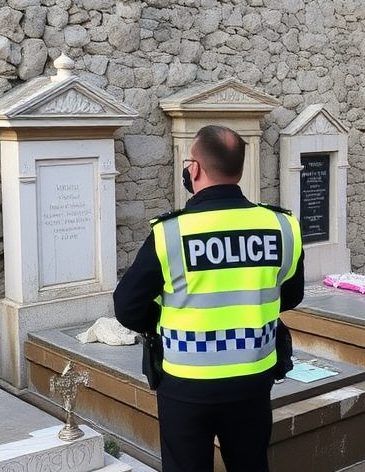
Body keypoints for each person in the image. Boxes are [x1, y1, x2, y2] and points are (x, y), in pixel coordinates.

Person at [114, 124, 305, 472]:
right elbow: (291, 295)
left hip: (186, 383)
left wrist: (168, 318)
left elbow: (127, 307)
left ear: (196, 168)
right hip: (254, 378)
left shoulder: (171, 232)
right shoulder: (281, 226)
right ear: (239, 170)